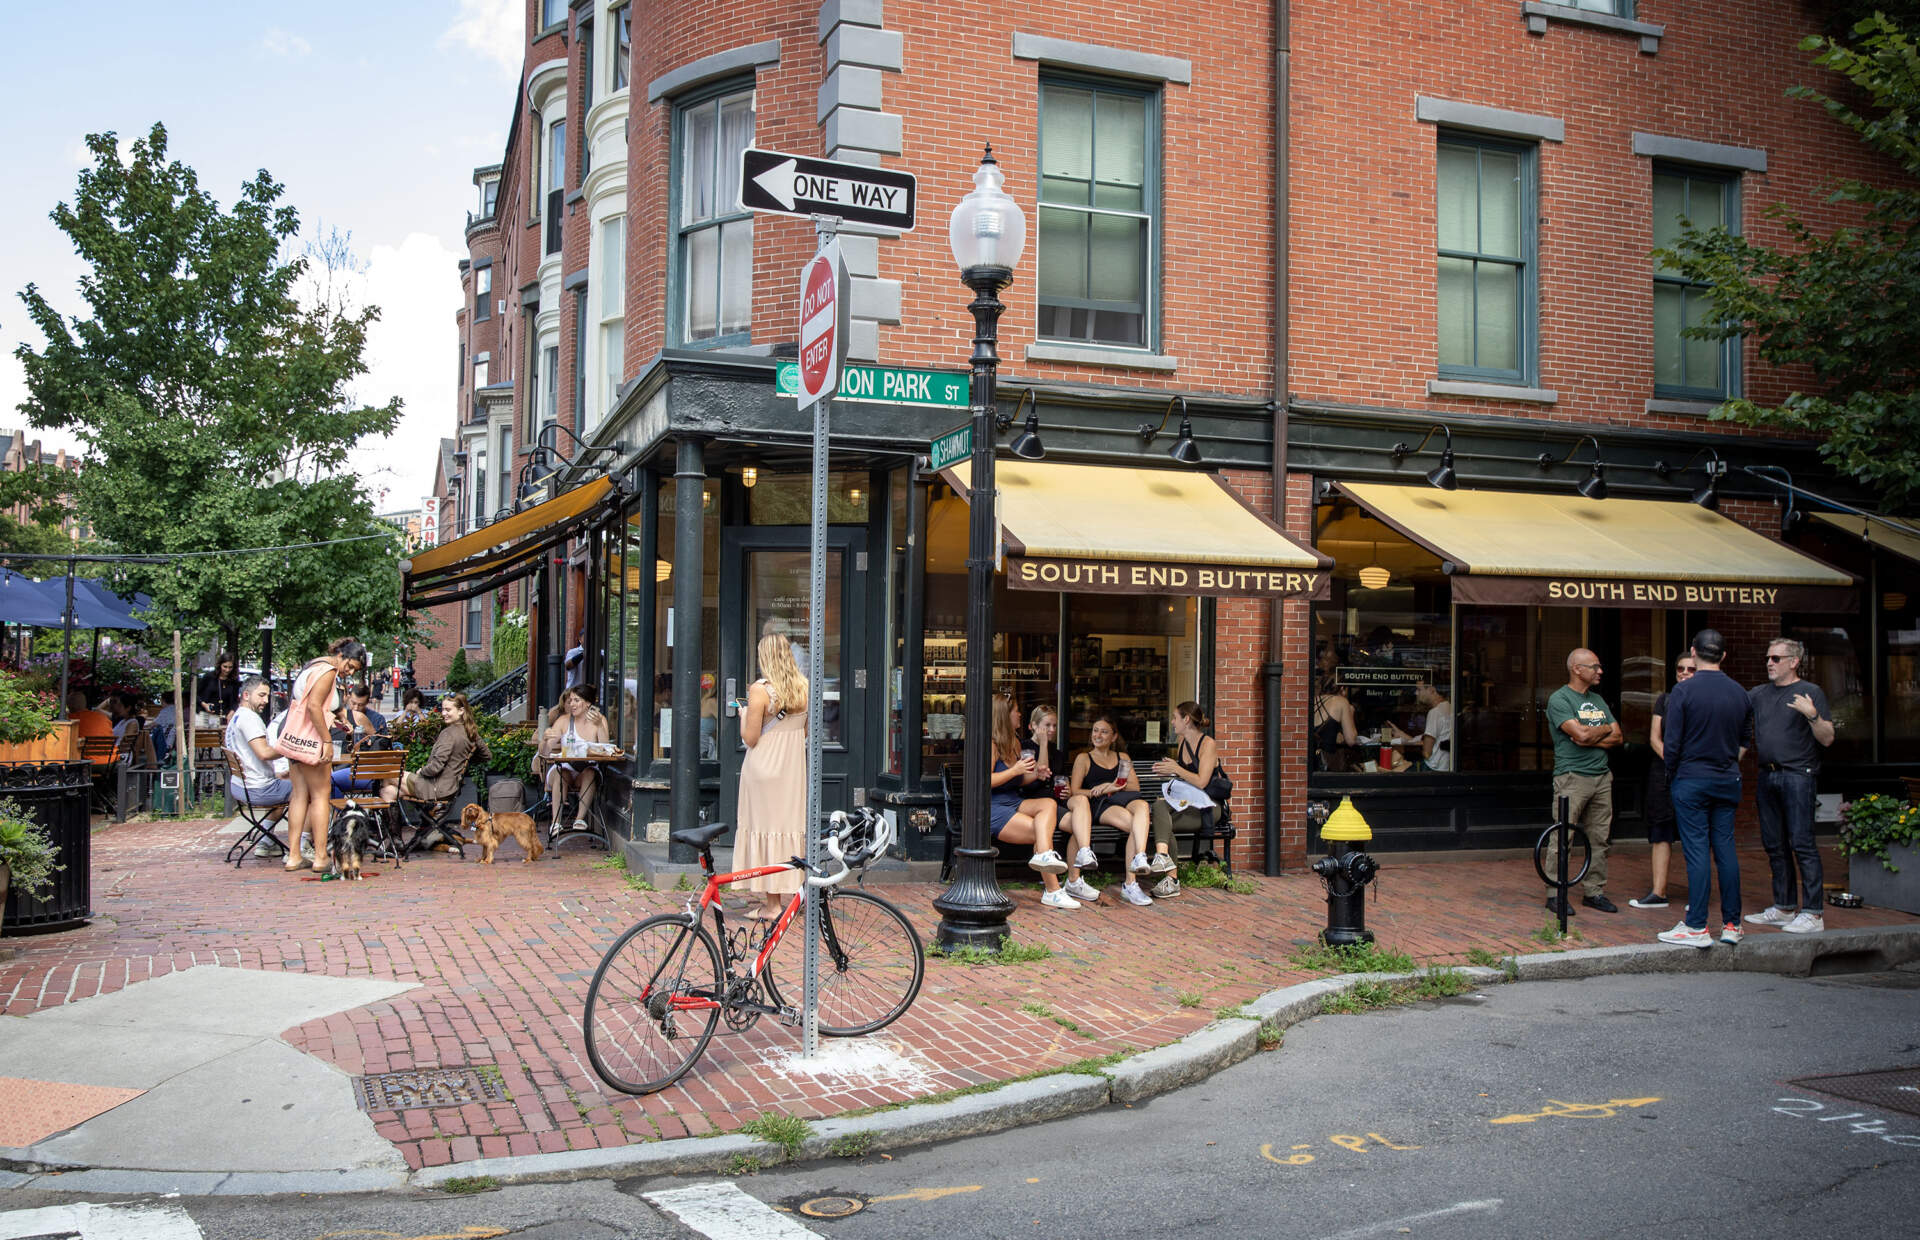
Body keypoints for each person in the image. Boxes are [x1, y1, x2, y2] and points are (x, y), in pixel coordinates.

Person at [1658, 629, 1752, 948]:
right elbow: (1744, 741)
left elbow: (1672, 744)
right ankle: (1732, 923)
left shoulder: (1683, 691)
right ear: (1723, 656)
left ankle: (1697, 925)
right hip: (1727, 778)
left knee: (1696, 850)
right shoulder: (1740, 693)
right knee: (1725, 849)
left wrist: (1674, 772)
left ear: (1693, 651)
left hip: (1692, 778)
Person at [1745, 638, 1836, 935]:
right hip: (1767, 775)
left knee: (1802, 843)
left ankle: (1812, 913)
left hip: (1799, 775)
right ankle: (1784, 907)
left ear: (1794, 661)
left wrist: (1812, 715)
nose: (1769, 663)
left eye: (1776, 658)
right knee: (1774, 845)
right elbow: (1740, 728)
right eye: (1768, 657)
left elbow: (1827, 738)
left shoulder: (1811, 692)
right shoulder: (1758, 694)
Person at [271, 638, 367, 872]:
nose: (350, 671)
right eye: (350, 665)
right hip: (312, 738)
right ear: (341, 655)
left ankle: (294, 856)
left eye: (354, 669)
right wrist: (326, 740)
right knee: (321, 795)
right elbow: (314, 706)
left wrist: (339, 714)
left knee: (299, 795)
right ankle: (321, 856)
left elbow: (314, 704)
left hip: (294, 734)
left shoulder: (313, 665)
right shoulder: (328, 672)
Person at [733, 635, 810, 920]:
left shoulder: (760, 690)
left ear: (764, 657)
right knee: (788, 828)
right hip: (791, 770)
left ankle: (773, 904)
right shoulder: (804, 688)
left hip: (763, 769)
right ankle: (792, 895)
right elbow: (804, 732)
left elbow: (751, 738)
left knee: (764, 829)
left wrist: (743, 715)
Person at [1542, 648, 1623, 916]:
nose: (1600, 671)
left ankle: (1594, 892)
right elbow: (1579, 735)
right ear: (1577, 669)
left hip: (1602, 776)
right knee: (1562, 837)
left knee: (1600, 838)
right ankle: (1556, 893)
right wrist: (1599, 732)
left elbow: (1618, 736)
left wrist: (1591, 733)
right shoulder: (1559, 699)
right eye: (1594, 666)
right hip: (1571, 777)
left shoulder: (1597, 699)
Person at [986, 693, 1074, 909]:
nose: (1019, 714)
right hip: (994, 807)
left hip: (1013, 800)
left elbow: (1019, 779)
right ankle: (1052, 890)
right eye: (1016, 710)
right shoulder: (991, 744)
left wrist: (1036, 774)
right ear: (1004, 715)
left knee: (1049, 804)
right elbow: (984, 781)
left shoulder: (1015, 742)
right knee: (1040, 832)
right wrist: (1015, 769)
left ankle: (1045, 861)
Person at [1630, 654, 1695, 911]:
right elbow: (1655, 737)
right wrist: (1672, 760)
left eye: (1691, 669)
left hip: (1692, 774)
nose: (1685, 672)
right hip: (1663, 772)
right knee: (1660, 831)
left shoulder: (1702, 701)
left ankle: (1697, 896)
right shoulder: (1664, 700)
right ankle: (1659, 892)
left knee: (1694, 834)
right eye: (1680, 668)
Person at [1067, 713, 1154, 906]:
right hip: (1101, 804)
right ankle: (1131, 883)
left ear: (1113, 737)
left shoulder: (1122, 757)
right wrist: (1104, 789)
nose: (1098, 735)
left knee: (1142, 806)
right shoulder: (1084, 758)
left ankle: (1138, 859)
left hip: (1123, 798)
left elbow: (1134, 788)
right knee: (1137, 826)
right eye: (1095, 731)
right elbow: (1075, 791)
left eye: (1104, 732)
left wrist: (1112, 786)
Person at [1149, 701, 1225, 900]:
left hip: (1209, 807)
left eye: (1175, 718)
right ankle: (1164, 858)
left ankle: (1171, 880)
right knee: (1159, 805)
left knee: (1166, 824)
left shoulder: (1208, 744)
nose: (1172, 722)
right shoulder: (1183, 742)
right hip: (1187, 802)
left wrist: (1175, 768)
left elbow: (1201, 782)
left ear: (1186, 719)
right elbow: (1184, 781)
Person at [1030, 704, 1099, 903]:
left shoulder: (1057, 753)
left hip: (1054, 802)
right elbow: (1040, 777)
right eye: (1047, 726)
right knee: (1080, 826)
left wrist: (1067, 787)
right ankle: (1073, 880)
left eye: (1054, 725)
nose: (1052, 730)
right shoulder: (1025, 747)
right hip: (1035, 803)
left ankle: (1081, 861)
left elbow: (1057, 779)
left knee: (1080, 803)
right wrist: (1042, 744)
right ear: (1034, 726)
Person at [539, 684, 610, 837]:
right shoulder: (564, 721)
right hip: (565, 767)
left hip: (587, 768)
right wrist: (545, 741)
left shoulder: (599, 720)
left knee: (590, 773)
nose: (571, 704)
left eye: (576, 700)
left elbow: (605, 749)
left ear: (588, 703)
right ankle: (556, 822)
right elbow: (545, 752)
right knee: (560, 772)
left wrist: (599, 727)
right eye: (570, 701)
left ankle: (579, 819)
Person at [400, 692, 490, 809]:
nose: (443, 713)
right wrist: (463, 761)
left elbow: (436, 767)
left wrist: (421, 771)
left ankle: (428, 817)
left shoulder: (448, 734)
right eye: (443, 710)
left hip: (436, 788)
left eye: (448, 710)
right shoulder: (471, 732)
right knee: (389, 791)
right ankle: (425, 824)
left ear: (461, 711)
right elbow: (487, 755)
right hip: (450, 787)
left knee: (391, 777)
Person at [224, 676, 291, 819]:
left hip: (240, 786)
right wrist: (291, 748)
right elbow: (264, 753)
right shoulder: (249, 718)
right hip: (259, 789)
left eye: (267, 696)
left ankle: (266, 839)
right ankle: (304, 839)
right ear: (246, 695)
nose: (266, 700)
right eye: (261, 695)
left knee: (289, 781)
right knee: (313, 790)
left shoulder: (237, 716)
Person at [1386, 681, 1452, 772]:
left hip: (1432, 769)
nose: (1416, 693)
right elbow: (1431, 742)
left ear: (1432, 690)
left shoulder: (1435, 712)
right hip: (1445, 767)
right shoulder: (1449, 707)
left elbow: (1426, 753)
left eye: (1419, 689)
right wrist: (1402, 734)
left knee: (1393, 769)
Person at [1311, 667, 1358, 773]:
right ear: (1342, 688)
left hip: (1311, 763)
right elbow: (1351, 740)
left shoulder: (1313, 699)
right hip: (1329, 765)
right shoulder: (1341, 702)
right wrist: (1351, 713)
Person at [196, 653, 241, 720]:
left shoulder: (234, 681)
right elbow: (196, 695)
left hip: (224, 717)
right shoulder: (209, 677)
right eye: (225, 666)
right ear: (220, 665)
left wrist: (231, 713)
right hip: (205, 716)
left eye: (230, 667)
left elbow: (235, 701)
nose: (227, 670)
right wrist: (205, 705)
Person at [151, 690, 179, 768]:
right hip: (171, 742)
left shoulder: (165, 711)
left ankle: (152, 767)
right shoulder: (177, 710)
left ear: (163, 700)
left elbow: (152, 725)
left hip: (164, 743)